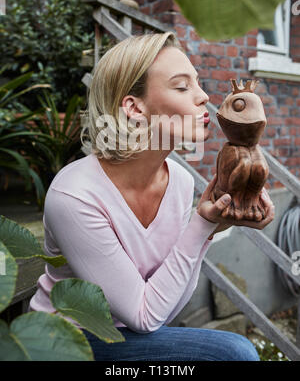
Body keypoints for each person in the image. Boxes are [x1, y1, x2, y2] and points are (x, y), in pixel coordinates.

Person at [28, 32, 274, 361]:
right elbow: (145, 316)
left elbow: (167, 307)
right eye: (182, 86)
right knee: (234, 353)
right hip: (62, 343)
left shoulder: (181, 182)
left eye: (197, 83)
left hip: (126, 338)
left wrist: (213, 225)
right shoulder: (74, 195)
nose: (203, 97)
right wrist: (201, 224)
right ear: (134, 107)